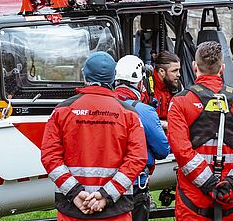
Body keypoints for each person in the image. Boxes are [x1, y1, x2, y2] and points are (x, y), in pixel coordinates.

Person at [41, 52, 147, 221]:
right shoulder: (129, 113)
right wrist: (106, 195)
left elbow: (49, 157)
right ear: (113, 79)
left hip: (72, 208)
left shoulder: (62, 111)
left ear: (85, 76)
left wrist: (75, 193)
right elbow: (137, 158)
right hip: (115, 208)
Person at [168, 41, 233, 220]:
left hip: (192, 205)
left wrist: (210, 184)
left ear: (194, 66)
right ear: (223, 68)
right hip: (231, 201)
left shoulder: (180, 102)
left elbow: (182, 151)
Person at [114, 55, 170, 221]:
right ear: (140, 82)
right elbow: (162, 150)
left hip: (103, 184)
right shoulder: (144, 111)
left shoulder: (103, 105)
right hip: (134, 185)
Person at [148, 51, 181, 127]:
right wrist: (164, 124)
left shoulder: (177, 85)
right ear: (161, 71)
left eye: (179, 70)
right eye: (174, 71)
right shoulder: (147, 86)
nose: (178, 74)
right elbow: (139, 117)